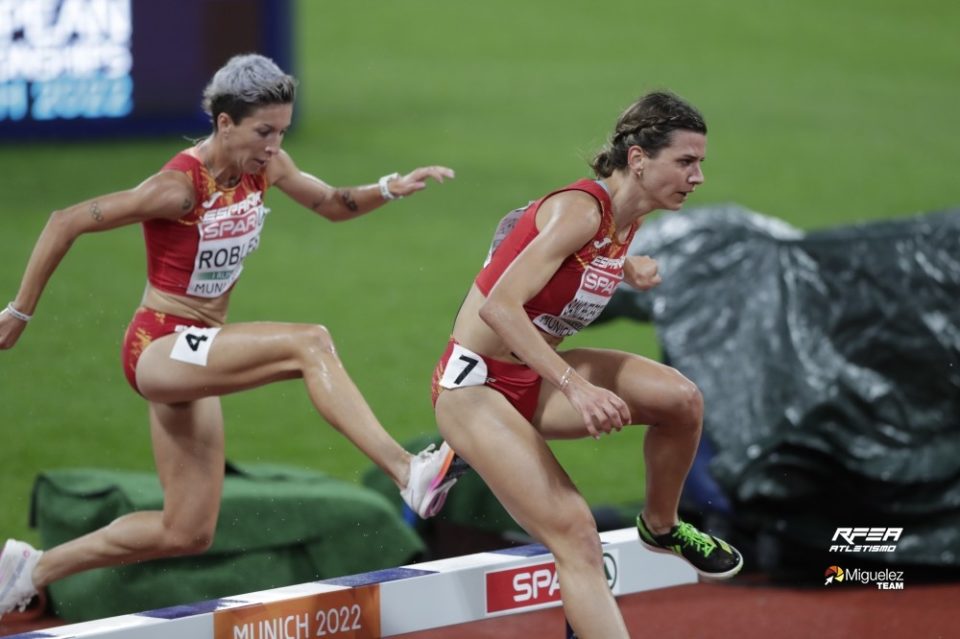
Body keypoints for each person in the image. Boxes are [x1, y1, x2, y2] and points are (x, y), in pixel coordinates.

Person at [0, 53, 462, 618]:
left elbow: (331, 203)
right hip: (160, 346)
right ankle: (406, 471)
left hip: (200, 354)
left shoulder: (264, 168)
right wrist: (19, 312)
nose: (274, 145)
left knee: (186, 529)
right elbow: (64, 220)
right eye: (263, 131)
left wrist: (389, 187)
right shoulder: (177, 189)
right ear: (224, 123)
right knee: (308, 342)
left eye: (282, 132)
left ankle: (32, 568)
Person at [430, 91, 743, 638]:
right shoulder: (580, 209)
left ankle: (662, 525)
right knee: (577, 534)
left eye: (700, 164)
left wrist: (626, 267)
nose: (698, 178)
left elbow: (532, 239)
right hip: (474, 385)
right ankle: (458, 449)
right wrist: (576, 387)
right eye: (686, 162)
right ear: (640, 159)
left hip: (529, 375)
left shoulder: (623, 221)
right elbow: (499, 307)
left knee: (682, 401)